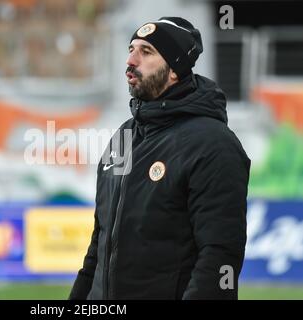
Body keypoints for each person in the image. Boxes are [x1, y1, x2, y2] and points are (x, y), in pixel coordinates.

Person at [69, 17, 251, 300]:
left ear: (175, 70)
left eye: (146, 52)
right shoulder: (123, 138)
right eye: (131, 49)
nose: (131, 60)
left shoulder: (213, 144)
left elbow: (219, 255)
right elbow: (99, 245)